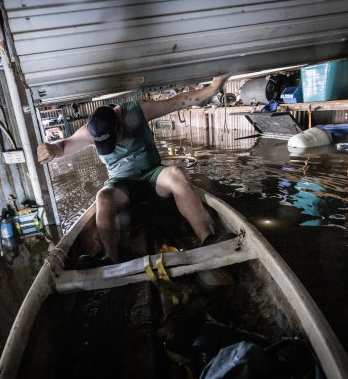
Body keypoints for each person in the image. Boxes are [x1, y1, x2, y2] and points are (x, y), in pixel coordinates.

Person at [37, 74, 231, 268]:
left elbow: (176, 102)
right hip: (122, 185)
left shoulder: (137, 111)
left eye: (113, 139)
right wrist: (52, 148)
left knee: (176, 174)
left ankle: (207, 238)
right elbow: (63, 146)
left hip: (153, 175)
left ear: (119, 121)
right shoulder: (90, 131)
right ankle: (110, 257)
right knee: (103, 197)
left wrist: (213, 88)